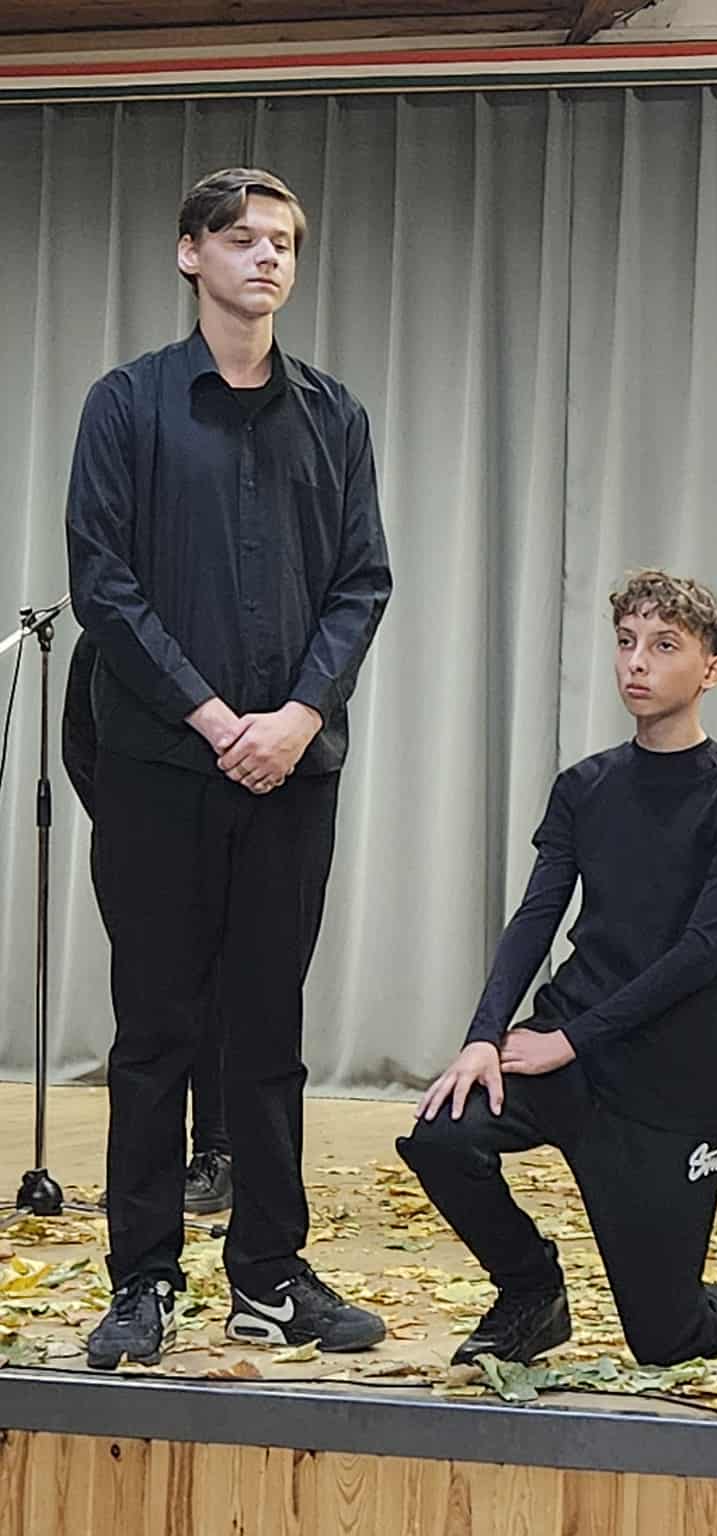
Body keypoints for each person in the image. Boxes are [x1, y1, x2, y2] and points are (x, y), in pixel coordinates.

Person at [68, 168, 393, 1370]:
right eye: (244, 238)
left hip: (293, 771)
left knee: (266, 1034)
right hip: (160, 766)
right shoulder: (127, 406)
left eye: (284, 243)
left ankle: (268, 1275)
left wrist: (297, 717)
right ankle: (143, 1280)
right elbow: (103, 583)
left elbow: (361, 582)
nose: (268, 258)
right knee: (157, 1033)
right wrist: (216, 720)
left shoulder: (334, 417)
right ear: (189, 254)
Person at [398, 571, 717, 1367]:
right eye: (626, 642)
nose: (637, 662)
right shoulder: (584, 787)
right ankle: (531, 1291)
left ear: (712, 668)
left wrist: (568, 1041)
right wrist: (484, 1036)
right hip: (568, 1058)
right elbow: (536, 917)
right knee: (440, 1136)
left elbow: (701, 952)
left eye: (664, 646)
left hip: (671, 1083)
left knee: (668, 1337)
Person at [62, 633, 233, 1216]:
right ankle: (149, 1176)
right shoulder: (108, 636)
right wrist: (127, 821)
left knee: (223, 998)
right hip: (135, 839)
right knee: (150, 1011)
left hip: (231, 832)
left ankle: (219, 1152)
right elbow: (80, 745)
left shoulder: (226, 632)